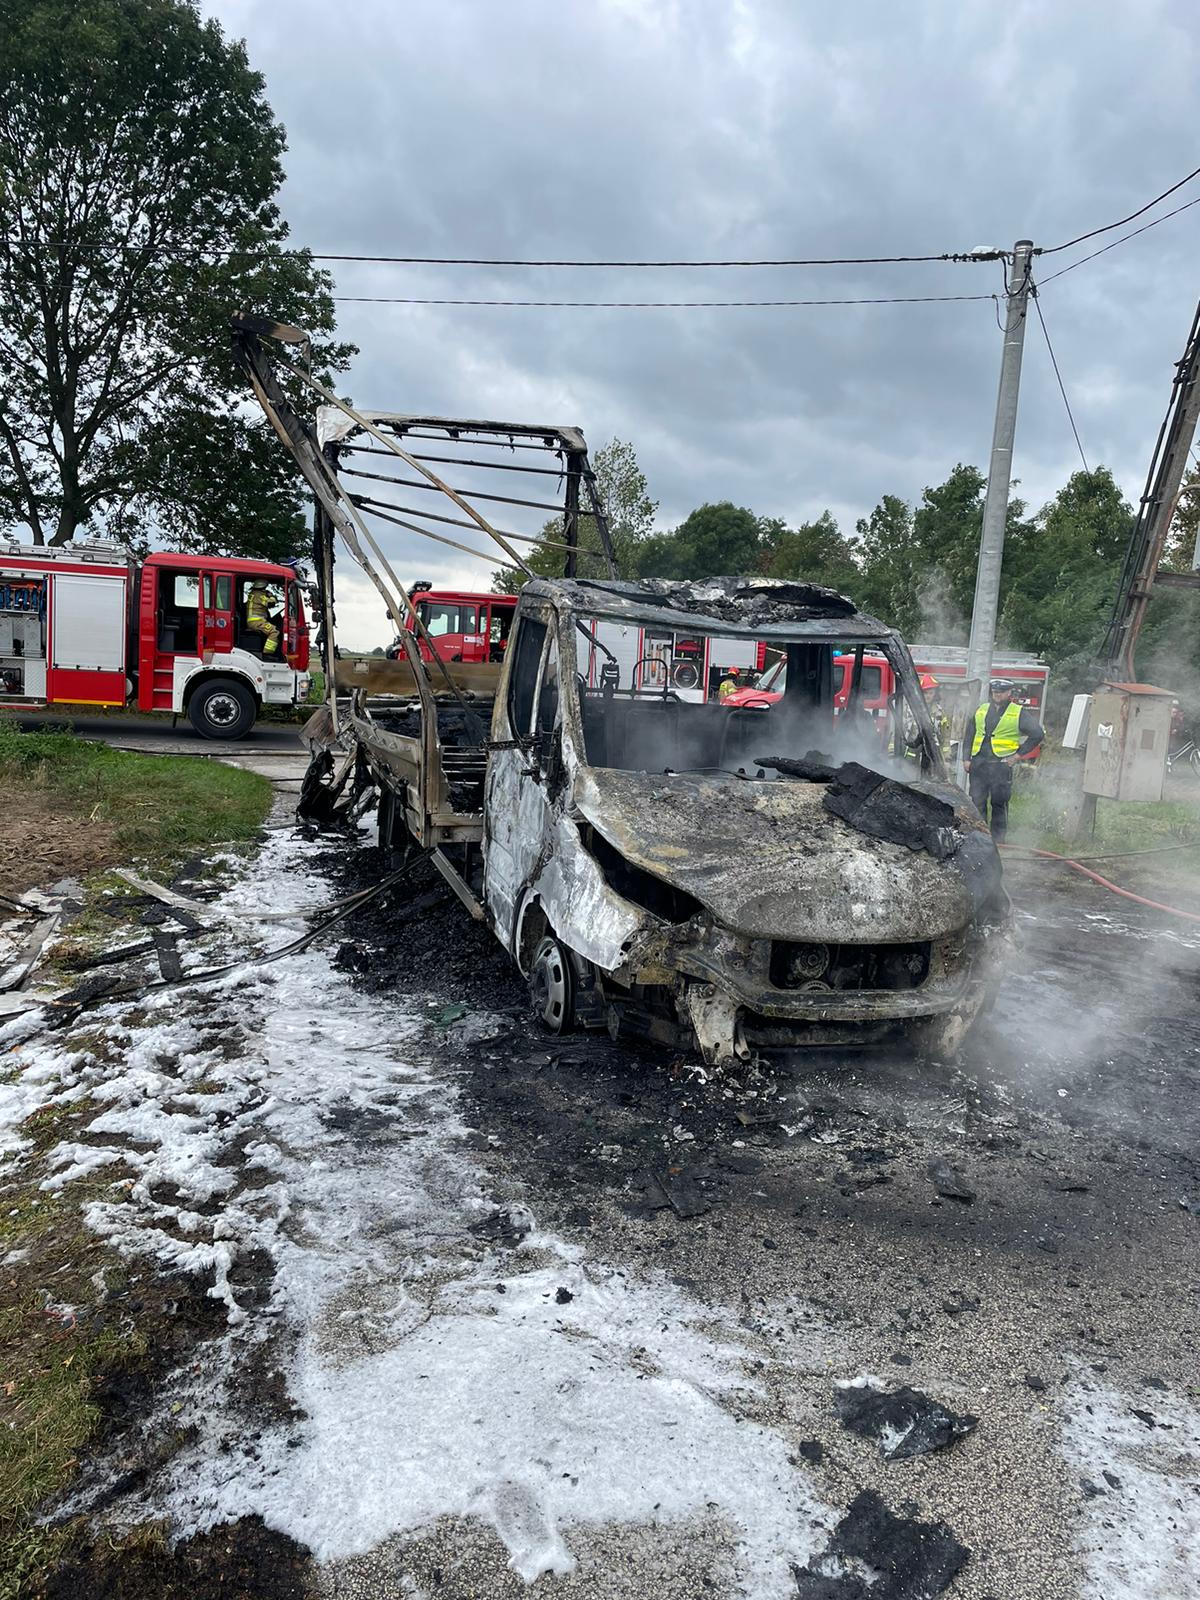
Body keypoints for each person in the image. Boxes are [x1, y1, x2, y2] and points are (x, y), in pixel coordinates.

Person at [965, 679, 1045, 842]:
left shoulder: (1018, 712)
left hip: (1000, 765)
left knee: (999, 804)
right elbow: (970, 734)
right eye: (995, 692)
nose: (997, 695)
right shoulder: (981, 709)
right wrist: (966, 758)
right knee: (977, 801)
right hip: (979, 764)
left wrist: (1017, 755)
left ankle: (998, 840)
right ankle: (980, 838)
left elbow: (1037, 733)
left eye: (1001, 692)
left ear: (1009, 693)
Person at [246, 581, 281, 656]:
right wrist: (272, 596)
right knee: (275, 632)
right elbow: (270, 603)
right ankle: (267, 654)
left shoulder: (253, 593)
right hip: (256, 622)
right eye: (265, 588)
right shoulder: (259, 595)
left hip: (254, 621)